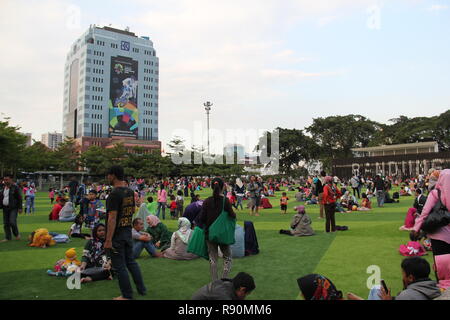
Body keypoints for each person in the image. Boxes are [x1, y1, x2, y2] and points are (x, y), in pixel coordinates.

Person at [105, 165, 147, 300]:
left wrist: (108, 239)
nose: (107, 177)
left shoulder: (114, 194)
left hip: (117, 234)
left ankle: (127, 295)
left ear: (113, 175)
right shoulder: (129, 191)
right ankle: (142, 289)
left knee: (120, 266)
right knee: (131, 262)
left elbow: (112, 218)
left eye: (108, 174)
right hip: (128, 231)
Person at [411, 169, 450, 287]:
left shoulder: (435, 193)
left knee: (441, 269)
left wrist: (416, 229)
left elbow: (424, 213)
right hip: (442, 236)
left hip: (439, 236)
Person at [199, 177, 236, 281]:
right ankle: (224, 279)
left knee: (213, 259)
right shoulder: (225, 201)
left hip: (210, 234)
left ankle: (215, 281)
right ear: (222, 187)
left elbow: (202, 218)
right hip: (223, 233)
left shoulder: (206, 201)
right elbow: (232, 215)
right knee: (227, 257)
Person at [377, 257, 441, 300]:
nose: (403, 277)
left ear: (410, 278)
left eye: (403, 273)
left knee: (375, 290)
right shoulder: (438, 288)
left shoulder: (406, 296)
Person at [191, 272, 256, 300]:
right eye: (246, 294)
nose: (245, 297)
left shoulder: (231, 284)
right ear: (242, 289)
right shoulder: (223, 295)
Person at [0, 175, 23, 242]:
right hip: (5, 208)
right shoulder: (3, 187)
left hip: (13, 207)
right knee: (6, 224)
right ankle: (8, 237)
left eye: (7, 179)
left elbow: (19, 198)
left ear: (11, 180)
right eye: (4, 179)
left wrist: (20, 208)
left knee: (12, 222)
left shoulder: (15, 187)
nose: (5, 181)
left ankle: (16, 234)